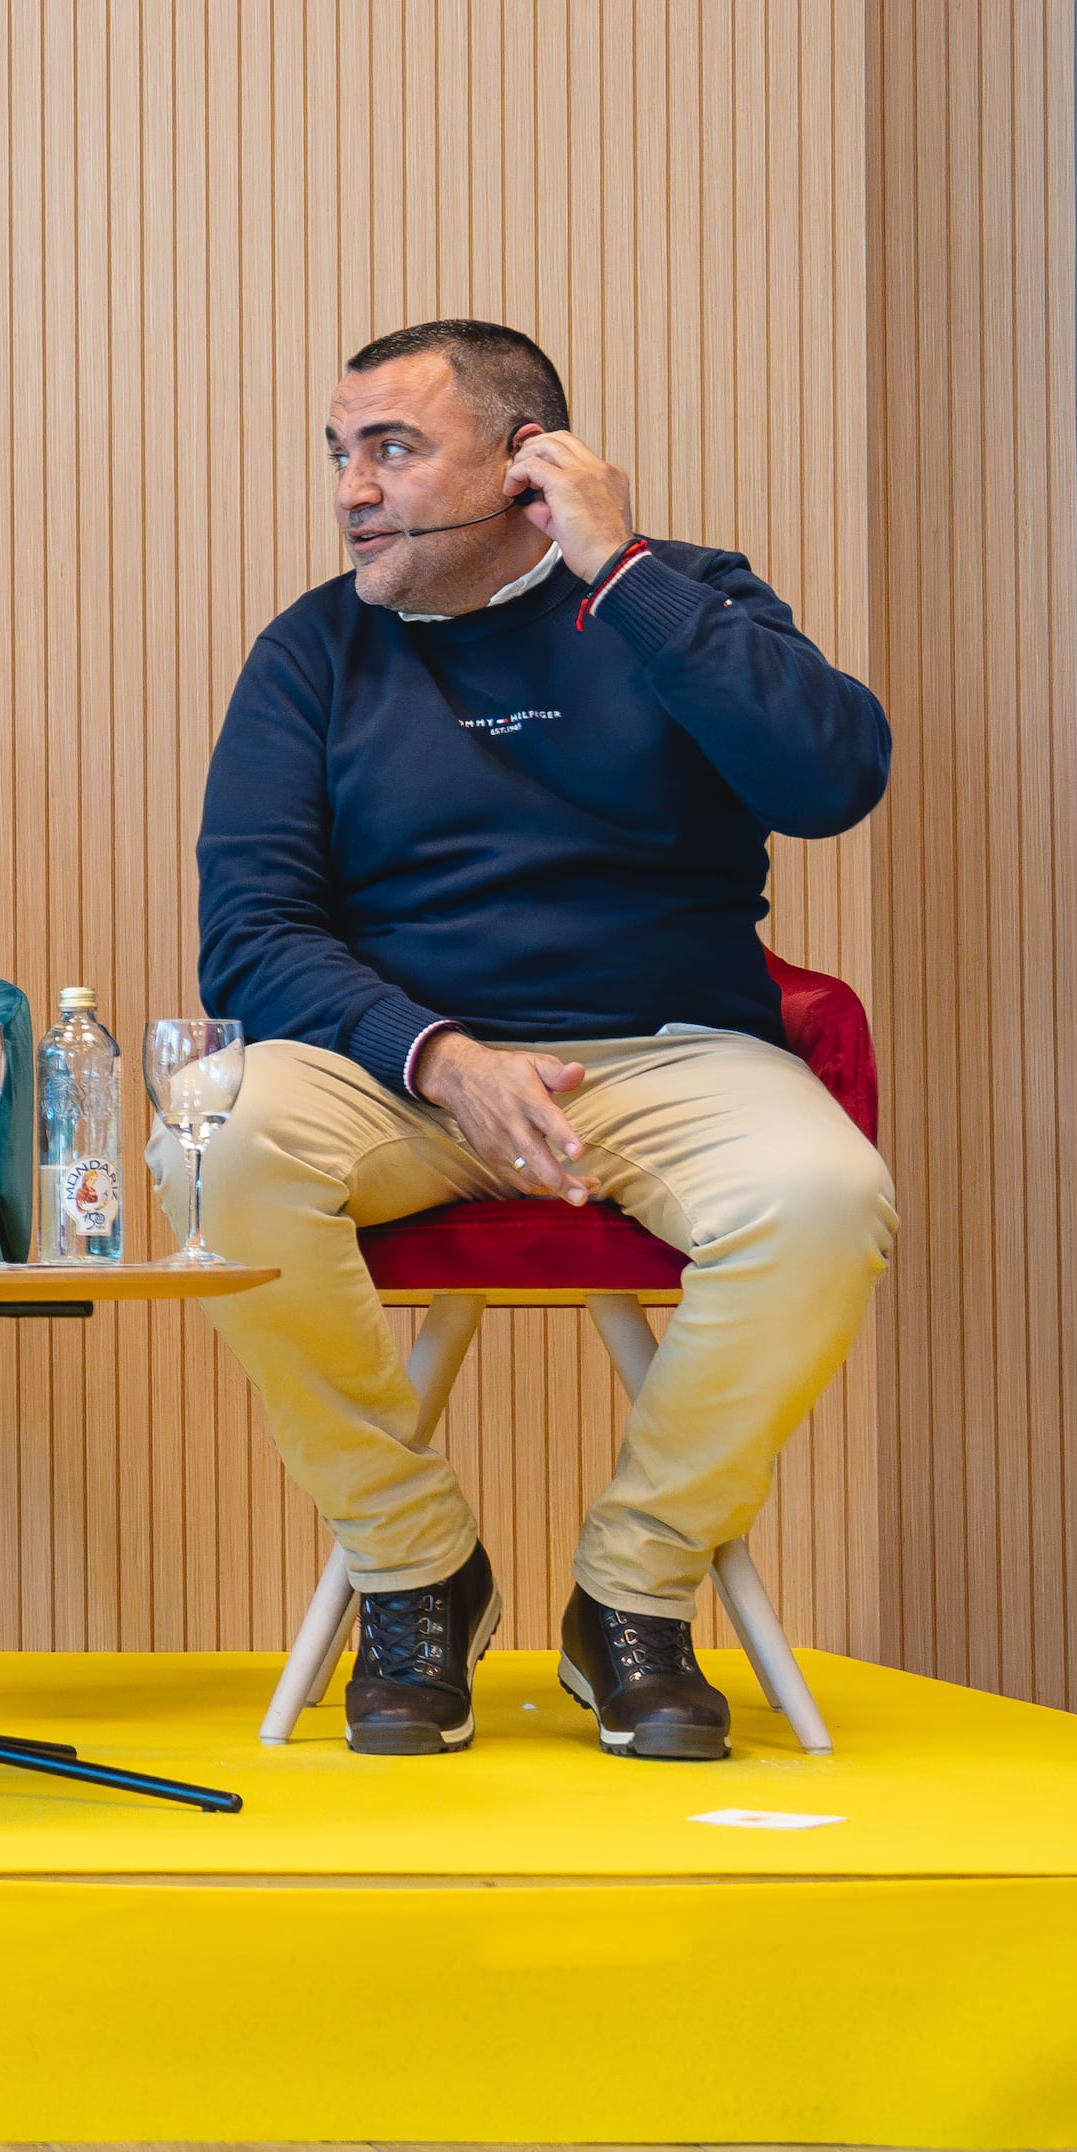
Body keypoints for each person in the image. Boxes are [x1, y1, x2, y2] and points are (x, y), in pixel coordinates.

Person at [196, 318, 895, 1762]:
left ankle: (631, 1598)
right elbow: (250, 935)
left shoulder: (681, 597)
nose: (350, 489)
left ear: (530, 464)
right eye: (340, 453)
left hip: (663, 1053)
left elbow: (833, 776)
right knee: (216, 1138)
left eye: (391, 448)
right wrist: (439, 1052)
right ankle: (416, 1572)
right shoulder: (314, 649)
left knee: (825, 1202)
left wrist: (620, 575)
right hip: (401, 1075)